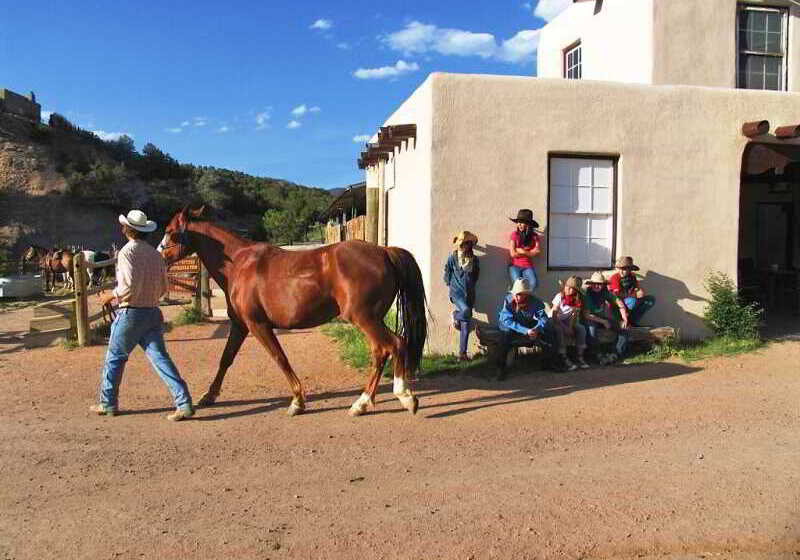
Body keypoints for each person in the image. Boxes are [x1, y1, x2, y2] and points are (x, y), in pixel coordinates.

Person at [90, 209, 194, 421]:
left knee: (115, 358)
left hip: (131, 312)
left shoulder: (127, 253)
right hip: (152, 312)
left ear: (126, 229)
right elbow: (164, 286)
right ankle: (183, 403)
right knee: (160, 358)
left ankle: (108, 403)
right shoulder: (156, 255)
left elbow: (127, 287)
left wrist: (110, 296)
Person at [496, 278, 575, 380]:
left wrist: (537, 329)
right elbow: (506, 320)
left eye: (519, 294)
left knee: (549, 330)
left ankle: (549, 362)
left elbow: (544, 318)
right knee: (505, 335)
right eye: (515, 293)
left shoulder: (535, 302)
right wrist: (526, 331)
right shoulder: (508, 300)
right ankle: (501, 367)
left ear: (526, 294)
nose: (516, 296)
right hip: (509, 325)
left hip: (525, 322)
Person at [443, 230, 480, 361]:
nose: (464, 246)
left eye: (466, 244)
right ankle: (455, 315)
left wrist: (470, 284)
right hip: (457, 292)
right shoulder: (453, 257)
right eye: (463, 244)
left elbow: (476, 274)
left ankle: (462, 354)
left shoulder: (474, 259)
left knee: (465, 324)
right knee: (466, 311)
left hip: (469, 293)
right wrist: (449, 282)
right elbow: (447, 269)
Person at [583, 272, 631, 364]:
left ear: (603, 285)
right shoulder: (587, 295)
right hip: (590, 319)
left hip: (601, 318)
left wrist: (625, 319)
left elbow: (620, 304)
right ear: (591, 284)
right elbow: (586, 315)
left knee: (625, 328)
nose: (597, 286)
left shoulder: (605, 292)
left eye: (600, 284)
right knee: (592, 331)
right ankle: (597, 355)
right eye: (595, 284)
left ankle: (615, 354)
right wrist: (603, 321)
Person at [551, 276, 590, 369]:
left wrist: (570, 327)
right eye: (567, 286)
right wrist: (565, 328)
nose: (568, 289)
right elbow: (554, 315)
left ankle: (579, 356)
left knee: (581, 329)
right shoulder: (559, 296)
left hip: (567, 320)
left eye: (572, 288)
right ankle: (563, 356)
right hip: (554, 319)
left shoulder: (577, 299)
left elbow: (574, 315)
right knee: (560, 330)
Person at [608, 256, 656, 326]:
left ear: (629, 269)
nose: (621, 271)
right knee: (632, 301)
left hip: (631, 301)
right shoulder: (615, 278)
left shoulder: (632, 276)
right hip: (618, 304)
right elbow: (616, 295)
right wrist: (635, 295)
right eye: (619, 268)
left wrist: (640, 291)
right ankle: (624, 321)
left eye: (624, 269)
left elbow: (637, 288)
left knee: (650, 300)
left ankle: (632, 321)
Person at [508, 208, 541, 292]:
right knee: (517, 287)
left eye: (522, 222)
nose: (519, 224)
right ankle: (513, 302)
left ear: (528, 224)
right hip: (515, 266)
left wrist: (521, 251)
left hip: (528, 266)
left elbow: (537, 252)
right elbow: (513, 254)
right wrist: (530, 253)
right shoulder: (514, 235)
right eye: (518, 222)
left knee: (533, 283)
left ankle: (525, 302)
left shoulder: (534, 236)